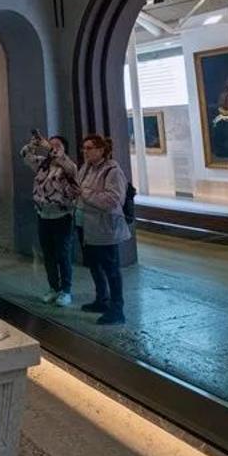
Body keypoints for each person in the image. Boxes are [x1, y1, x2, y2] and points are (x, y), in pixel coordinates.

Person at [20, 132, 80, 308]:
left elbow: (71, 176)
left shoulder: (69, 166)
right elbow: (24, 155)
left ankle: (66, 290)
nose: (52, 148)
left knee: (63, 254)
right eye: (50, 144)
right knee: (49, 255)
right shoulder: (43, 165)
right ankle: (53, 287)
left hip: (62, 216)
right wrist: (34, 144)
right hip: (44, 215)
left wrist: (54, 151)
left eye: (57, 145)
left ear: (64, 149)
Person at [76, 135, 131, 325]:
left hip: (106, 227)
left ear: (101, 150)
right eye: (84, 148)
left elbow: (113, 200)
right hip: (88, 225)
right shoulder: (86, 168)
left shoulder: (113, 171)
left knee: (111, 269)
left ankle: (117, 309)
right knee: (94, 266)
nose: (86, 151)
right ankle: (102, 299)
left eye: (90, 148)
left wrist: (84, 194)